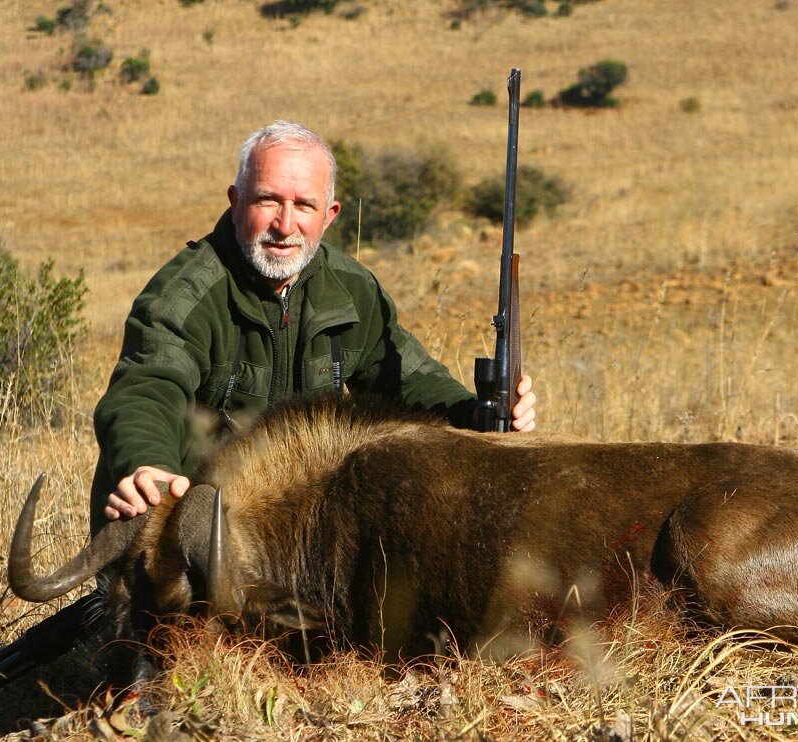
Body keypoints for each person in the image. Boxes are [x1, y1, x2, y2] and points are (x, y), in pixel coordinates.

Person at [91, 121, 536, 532]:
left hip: (292, 535)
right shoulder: (186, 294)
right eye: (268, 200)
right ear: (235, 200)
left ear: (330, 214)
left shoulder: (352, 289)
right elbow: (145, 390)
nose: (285, 225)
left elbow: (412, 380)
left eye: (304, 205)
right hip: (191, 523)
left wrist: (479, 415)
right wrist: (146, 467)